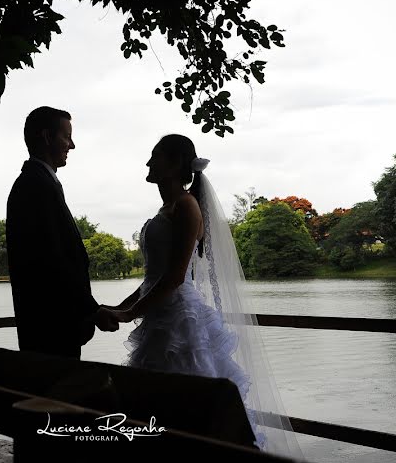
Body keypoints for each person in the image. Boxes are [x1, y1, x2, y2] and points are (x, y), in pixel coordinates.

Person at [103, 134, 302, 458]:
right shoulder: (167, 208)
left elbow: (175, 278)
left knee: (189, 408)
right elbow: (152, 279)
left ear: (175, 163)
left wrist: (128, 315)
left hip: (180, 321)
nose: (148, 162)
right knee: (156, 407)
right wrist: (120, 307)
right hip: (158, 320)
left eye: (155, 155)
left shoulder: (187, 207)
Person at [6, 106, 119, 359]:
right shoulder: (36, 186)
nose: (72, 145)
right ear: (47, 137)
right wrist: (92, 310)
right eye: (66, 137)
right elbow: (54, 261)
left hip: (48, 329)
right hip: (52, 330)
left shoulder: (36, 183)